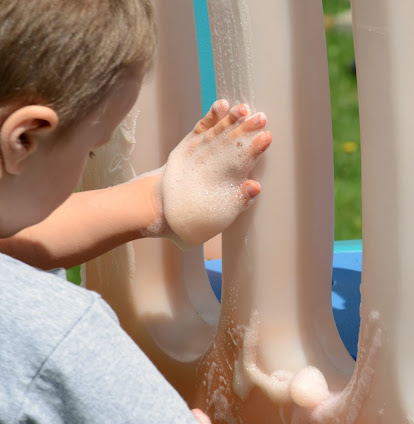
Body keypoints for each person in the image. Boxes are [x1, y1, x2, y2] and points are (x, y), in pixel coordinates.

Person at [0, 1, 271, 422]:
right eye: (91, 150)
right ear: (25, 139)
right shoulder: (59, 336)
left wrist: (153, 202)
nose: (89, 158)